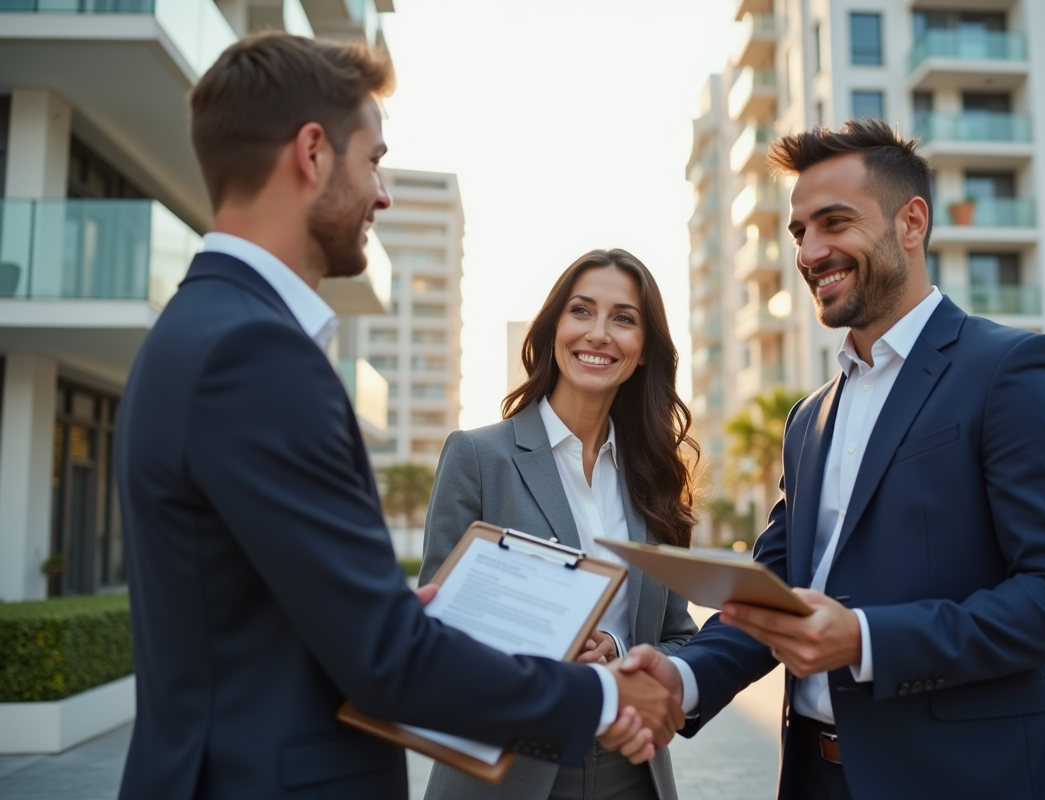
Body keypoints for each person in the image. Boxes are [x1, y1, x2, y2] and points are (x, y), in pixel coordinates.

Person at [113, 34, 682, 800]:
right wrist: (606, 696)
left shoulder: (202, 327)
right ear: (312, 153)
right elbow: (388, 661)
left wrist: (384, 610)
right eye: (373, 160)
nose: (382, 194)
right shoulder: (255, 353)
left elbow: (288, 615)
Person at [621, 119, 1045, 800]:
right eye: (799, 233)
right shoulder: (808, 417)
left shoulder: (1015, 370)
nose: (811, 251)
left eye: (834, 223)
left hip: (971, 777)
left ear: (912, 223)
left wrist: (867, 639)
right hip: (818, 777)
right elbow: (776, 589)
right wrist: (684, 677)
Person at [419, 249, 700, 800]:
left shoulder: (655, 480)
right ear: (553, 330)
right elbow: (436, 632)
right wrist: (545, 641)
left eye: (624, 318)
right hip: (505, 774)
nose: (599, 333)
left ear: (643, 352)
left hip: (630, 774)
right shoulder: (478, 457)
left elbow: (677, 638)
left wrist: (619, 653)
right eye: (581, 311)